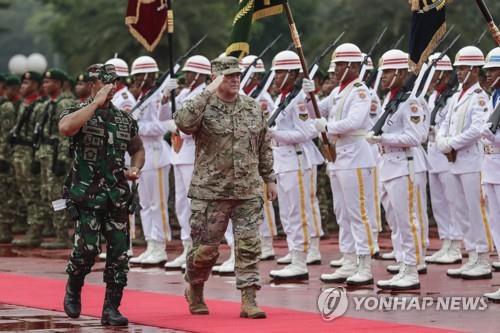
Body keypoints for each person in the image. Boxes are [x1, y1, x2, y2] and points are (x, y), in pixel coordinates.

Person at [174, 56, 277, 319]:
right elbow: (183, 122)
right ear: (215, 78)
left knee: (249, 245)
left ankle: (249, 299)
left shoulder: (253, 107)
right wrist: (207, 91)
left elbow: (263, 145)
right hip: (211, 192)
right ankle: (195, 288)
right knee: (205, 250)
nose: (234, 79)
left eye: (237, 75)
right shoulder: (203, 107)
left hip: (247, 190)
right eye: (228, 75)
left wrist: (269, 178)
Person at [59, 63, 145, 326]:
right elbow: (66, 128)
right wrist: (94, 104)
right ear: (91, 84)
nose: (109, 88)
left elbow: (137, 149)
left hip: (117, 195)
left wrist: (135, 167)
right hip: (86, 195)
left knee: (120, 254)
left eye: (112, 83)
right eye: (102, 83)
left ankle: (111, 308)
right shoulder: (76, 110)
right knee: (87, 249)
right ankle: (73, 287)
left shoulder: (124, 119)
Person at [307, 43, 377, 286]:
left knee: (359, 213)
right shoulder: (338, 91)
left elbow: (354, 121)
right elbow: (315, 111)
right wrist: (307, 95)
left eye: (338, 66)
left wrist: (327, 127)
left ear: (352, 67)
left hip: (355, 156)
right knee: (343, 213)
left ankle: (364, 264)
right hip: (338, 158)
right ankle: (348, 260)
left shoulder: (359, 91)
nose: (334, 70)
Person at [366, 49, 426, 290]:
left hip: (406, 165)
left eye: (389, 71)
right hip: (389, 165)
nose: (384, 76)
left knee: (407, 220)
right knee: (395, 221)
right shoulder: (393, 99)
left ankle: (411, 269)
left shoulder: (411, 101)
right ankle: (403, 264)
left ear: (402, 73)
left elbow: (417, 136)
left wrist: (382, 139)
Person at [436, 46, 493, 280]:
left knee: (475, 211)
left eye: (463, 68)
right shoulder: (457, 96)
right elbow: (445, 124)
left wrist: (452, 143)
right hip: (456, 161)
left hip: (471, 161)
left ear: (474, 69)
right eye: (457, 68)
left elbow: (478, 129)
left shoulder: (479, 97)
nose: (458, 73)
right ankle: (471, 255)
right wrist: (442, 140)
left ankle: (483, 258)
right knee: (461, 211)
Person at [164, 55, 211, 270]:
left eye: (191, 73)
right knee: (181, 205)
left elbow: (201, 125)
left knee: (195, 205)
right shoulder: (183, 93)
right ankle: (187, 246)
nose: (187, 76)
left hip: (194, 154)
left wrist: (180, 128)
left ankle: (198, 248)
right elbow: (163, 116)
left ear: (200, 75)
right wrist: (166, 97)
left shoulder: (205, 95)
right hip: (179, 153)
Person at [128, 56, 173, 265]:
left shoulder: (157, 97)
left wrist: (136, 127)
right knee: (145, 204)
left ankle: (160, 245)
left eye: (138, 76)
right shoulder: (143, 97)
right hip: (142, 156)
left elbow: (162, 126)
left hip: (155, 153)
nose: (136, 81)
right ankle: (150, 243)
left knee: (157, 204)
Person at [424, 53, 462, 265]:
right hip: (432, 153)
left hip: (446, 153)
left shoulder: (453, 96)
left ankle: (455, 245)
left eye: (435, 73)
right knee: (438, 201)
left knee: (452, 200)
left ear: (446, 74)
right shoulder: (433, 97)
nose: (432, 77)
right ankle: (445, 241)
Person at [33, 69, 75, 249]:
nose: (45, 85)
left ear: (59, 83)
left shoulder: (65, 104)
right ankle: (56, 230)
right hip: (45, 154)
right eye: (44, 81)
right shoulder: (46, 104)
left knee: (58, 195)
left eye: (49, 81)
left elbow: (66, 134)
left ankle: (63, 234)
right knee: (47, 193)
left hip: (57, 155)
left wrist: (63, 159)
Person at [10, 71, 48, 246]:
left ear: (36, 85)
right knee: (24, 192)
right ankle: (31, 228)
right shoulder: (25, 104)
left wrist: (35, 158)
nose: (23, 86)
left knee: (33, 193)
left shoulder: (40, 106)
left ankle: (35, 231)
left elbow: (39, 134)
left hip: (29, 153)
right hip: (19, 152)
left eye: (27, 83)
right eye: (22, 83)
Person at [481, 46, 500, 302]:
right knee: (497, 228)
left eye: (492, 70)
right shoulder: (493, 96)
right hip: (490, 170)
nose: (487, 75)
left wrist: (493, 136)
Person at [0, 75, 20, 243]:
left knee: (5, 193)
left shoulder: (6, 106)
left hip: (3, 156)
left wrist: (3, 156)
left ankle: (5, 230)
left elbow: (7, 135)